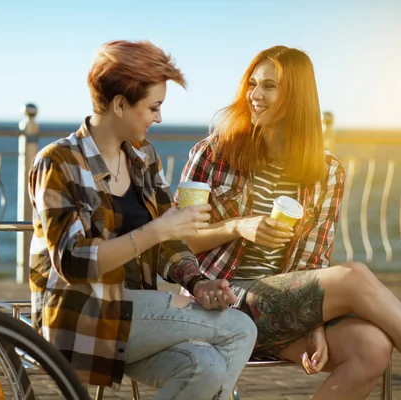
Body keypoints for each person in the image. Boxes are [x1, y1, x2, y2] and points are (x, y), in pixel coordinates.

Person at [178, 45, 401, 398]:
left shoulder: (326, 172)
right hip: (219, 302)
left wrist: (316, 325)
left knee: (371, 347)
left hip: (280, 313)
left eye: (269, 86)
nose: (255, 96)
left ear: (296, 96)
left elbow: (314, 264)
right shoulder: (213, 153)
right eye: (253, 84)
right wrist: (238, 226)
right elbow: (176, 243)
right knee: (354, 276)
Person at [28, 40, 257, 400]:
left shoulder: (143, 157)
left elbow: (169, 238)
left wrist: (197, 283)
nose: (159, 118)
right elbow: (72, 262)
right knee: (240, 328)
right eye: (154, 107)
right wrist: (152, 232)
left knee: (207, 368)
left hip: (134, 318)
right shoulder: (58, 162)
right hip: (83, 318)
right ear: (120, 104)